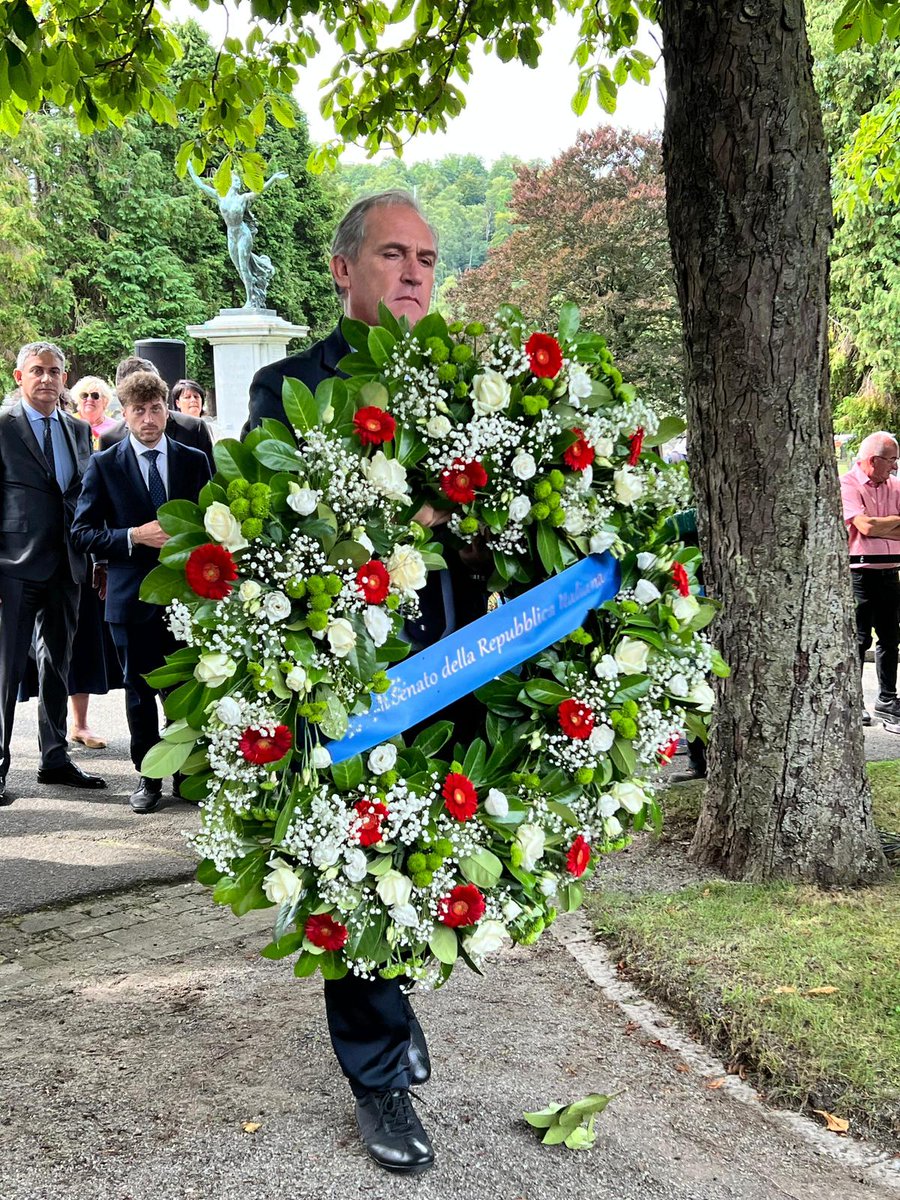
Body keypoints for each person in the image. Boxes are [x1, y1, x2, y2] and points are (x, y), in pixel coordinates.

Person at [245, 191, 456, 1175]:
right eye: (391, 254)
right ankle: (380, 1081)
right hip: (350, 681)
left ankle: (394, 1009)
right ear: (342, 269)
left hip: (458, 662)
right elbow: (282, 531)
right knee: (354, 873)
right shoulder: (285, 387)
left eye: (425, 257)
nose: (413, 273)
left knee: (426, 868)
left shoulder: (467, 384)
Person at [71, 371, 211, 813]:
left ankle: (188, 774)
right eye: (138, 411)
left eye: (155, 410)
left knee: (188, 687)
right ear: (125, 415)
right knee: (138, 691)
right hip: (130, 598)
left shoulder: (193, 460)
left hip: (188, 597)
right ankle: (148, 777)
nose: (148, 419)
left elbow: (213, 522)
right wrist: (133, 536)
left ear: (165, 412)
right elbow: (83, 532)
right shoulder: (105, 464)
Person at [0, 342, 107, 806]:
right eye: (37, 370)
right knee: (5, 673)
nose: (46, 378)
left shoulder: (78, 431)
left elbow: (84, 500)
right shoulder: (3, 428)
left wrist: (96, 559)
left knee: (57, 666)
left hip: (68, 564)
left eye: (55, 371)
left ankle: (55, 758)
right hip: (13, 566)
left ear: (65, 377)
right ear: (19, 376)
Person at [840, 431, 900, 726]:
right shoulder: (847, 484)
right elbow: (863, 526)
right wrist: (884, 524)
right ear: (874, 460)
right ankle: (853, 701)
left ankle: (887, 699)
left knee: (891, 638)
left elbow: (873, 527)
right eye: (892, 460)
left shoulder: (896, 486)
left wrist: (880, 526)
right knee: (859, 639)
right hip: (859, 572)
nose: (896, 467)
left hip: (890, 570)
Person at [188, 162, 287, 309]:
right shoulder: (219, 196)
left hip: (242, 234)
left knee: (243, 266)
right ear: (228, 182)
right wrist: (190, 167)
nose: (238, 183)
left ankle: (250, 300)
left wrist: (273, 178)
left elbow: (258, 192)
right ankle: (254, 293)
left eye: (239, 181)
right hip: (231, 234)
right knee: (240, 269)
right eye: (235, 180)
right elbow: (201, 185)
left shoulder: (242, 198)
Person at [100, 357, 216, 472]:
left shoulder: (194, 428)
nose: (148, 419)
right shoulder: (109, 439)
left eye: (152, 385)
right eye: (139, 409)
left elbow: (211, 483)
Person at [71, 375, 119, 448]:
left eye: (95, 396)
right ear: (78, 400)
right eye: (84, 395)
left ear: (105, 401)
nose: (89, 399)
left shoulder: (116, 428)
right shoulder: (69, 423)